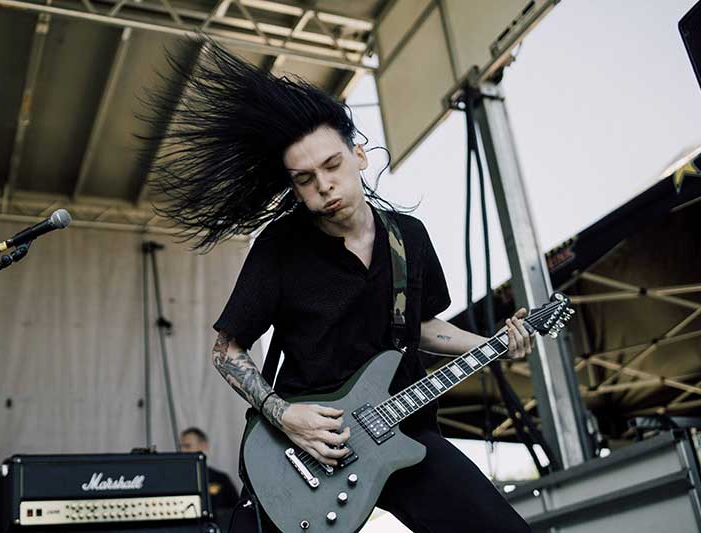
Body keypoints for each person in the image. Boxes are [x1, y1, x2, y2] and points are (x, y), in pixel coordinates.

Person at [145, 38, 533, 533]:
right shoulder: (281, 245)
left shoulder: (408, 238)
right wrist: (284, 416)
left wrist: (493, 344)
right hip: (301, 447)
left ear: (359, 156)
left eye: (332, 165)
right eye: (305, 179)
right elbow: (227, 350)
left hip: (403, 431)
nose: (324, 185)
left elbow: (421, 327)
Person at [179, 426, 239, 526]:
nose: (182, 451)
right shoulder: (176, 480)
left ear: (203, 446)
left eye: (187, 446)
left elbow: (236, 511)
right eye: (180, 447)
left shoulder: (221, 479)